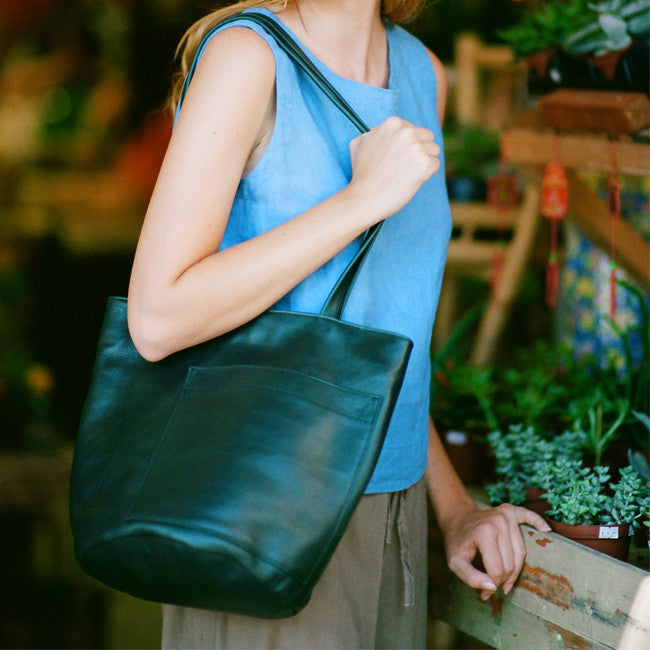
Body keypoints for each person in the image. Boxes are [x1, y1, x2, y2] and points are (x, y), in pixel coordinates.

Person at [126, 0, 551, 647]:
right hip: (267, 505)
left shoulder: (420, 72)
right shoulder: (247, 58)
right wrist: (358, 202)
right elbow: (158, 318)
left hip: (395, 514)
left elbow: (377, 341)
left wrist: (456, 507)